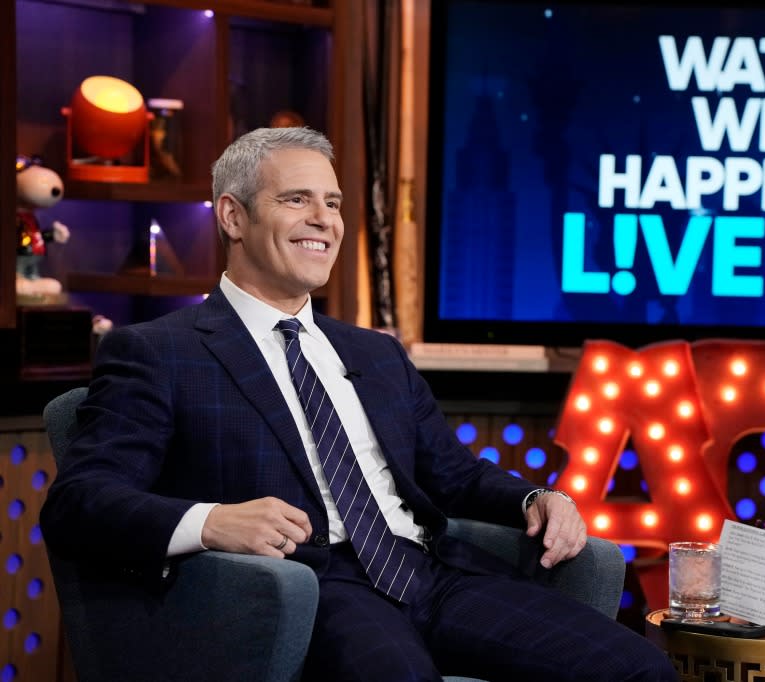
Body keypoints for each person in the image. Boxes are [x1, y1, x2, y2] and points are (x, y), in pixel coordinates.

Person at [40, 127, 677, 682]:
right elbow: (79, 503)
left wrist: (536, 498)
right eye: (297, 200)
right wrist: (210, 521)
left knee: (637, 668)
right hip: (313, 585)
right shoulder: (158, 351)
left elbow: (451, 474)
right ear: (232, 217)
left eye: (334, 203)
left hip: (429, 572)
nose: (325, 219)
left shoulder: (375, 354)